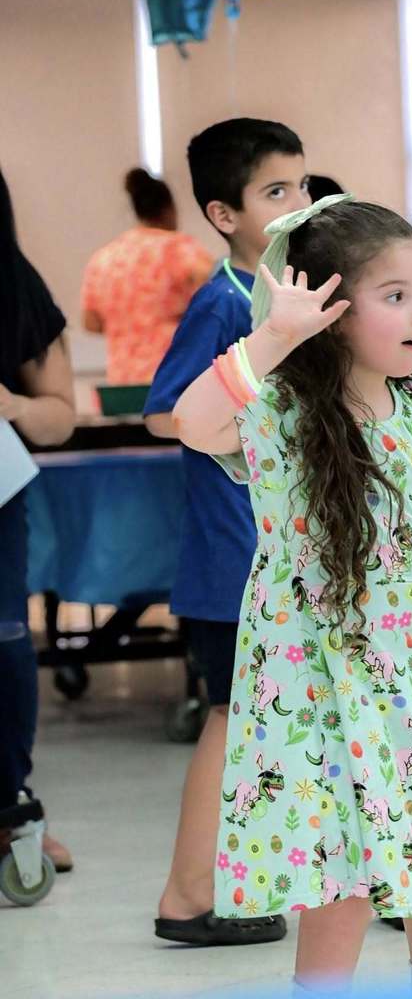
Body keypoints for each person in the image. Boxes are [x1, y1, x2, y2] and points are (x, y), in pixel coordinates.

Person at [172, 195, 412, 992]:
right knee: (331, 874)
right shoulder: (274, 410)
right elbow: (192, 422)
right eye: (395, 295)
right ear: (331, 312)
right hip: (301, 678)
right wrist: (273, 334)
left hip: (401, 670)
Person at [145, 119, 311, 947]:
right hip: (233, 562)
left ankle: (363, 881)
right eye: (274, 192)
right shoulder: (223, 304)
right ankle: (188, 896)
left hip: (283, 557)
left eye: (302, 187)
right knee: (230, 718)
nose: (296, 205)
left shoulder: (283, 293)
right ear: (222, 213)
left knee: (292, 720)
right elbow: (167, 412)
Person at [0, 168, 76, 872]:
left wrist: (14, 407)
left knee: (4, 641)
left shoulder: (14, 285)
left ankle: (10, 808)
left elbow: (59, 417)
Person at [81, 168, 213, 385]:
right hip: (176, 379)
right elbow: (216, 304)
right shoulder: (180, 250)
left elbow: (91, 323)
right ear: (169, 209)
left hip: (123, 383)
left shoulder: (104, 258)